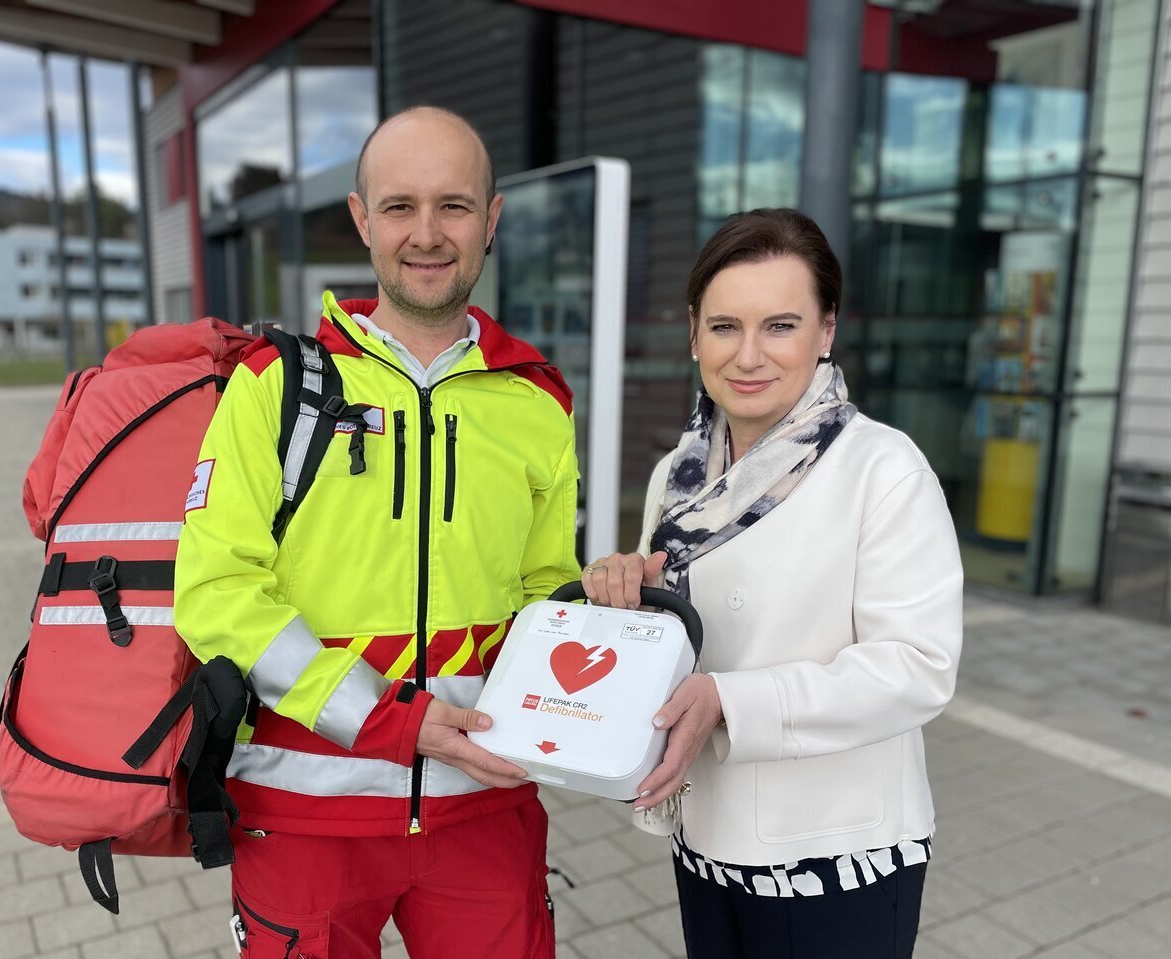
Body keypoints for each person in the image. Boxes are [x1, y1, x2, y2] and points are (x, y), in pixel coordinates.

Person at [174, 106, 580, 959]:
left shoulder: (539, 402)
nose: (426, 234)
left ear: (492, 219)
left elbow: (546, 591)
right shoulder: (271, 386)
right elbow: (215, 592)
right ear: (362, 220)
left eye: (454, 207)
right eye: (399, 207)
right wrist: (387, 717)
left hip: (485, 808)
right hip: (302, 817)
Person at [581, 208, 962, 959]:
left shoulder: (883, 467)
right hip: (708, 832)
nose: (748, 355)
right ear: (693, 333)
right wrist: (618, 596)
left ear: (825, 332)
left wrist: (735, 699)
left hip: (834, 854)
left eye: (780, 326)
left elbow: (919, 667)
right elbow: (672, 642)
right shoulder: (678, 472)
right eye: (724, 326)